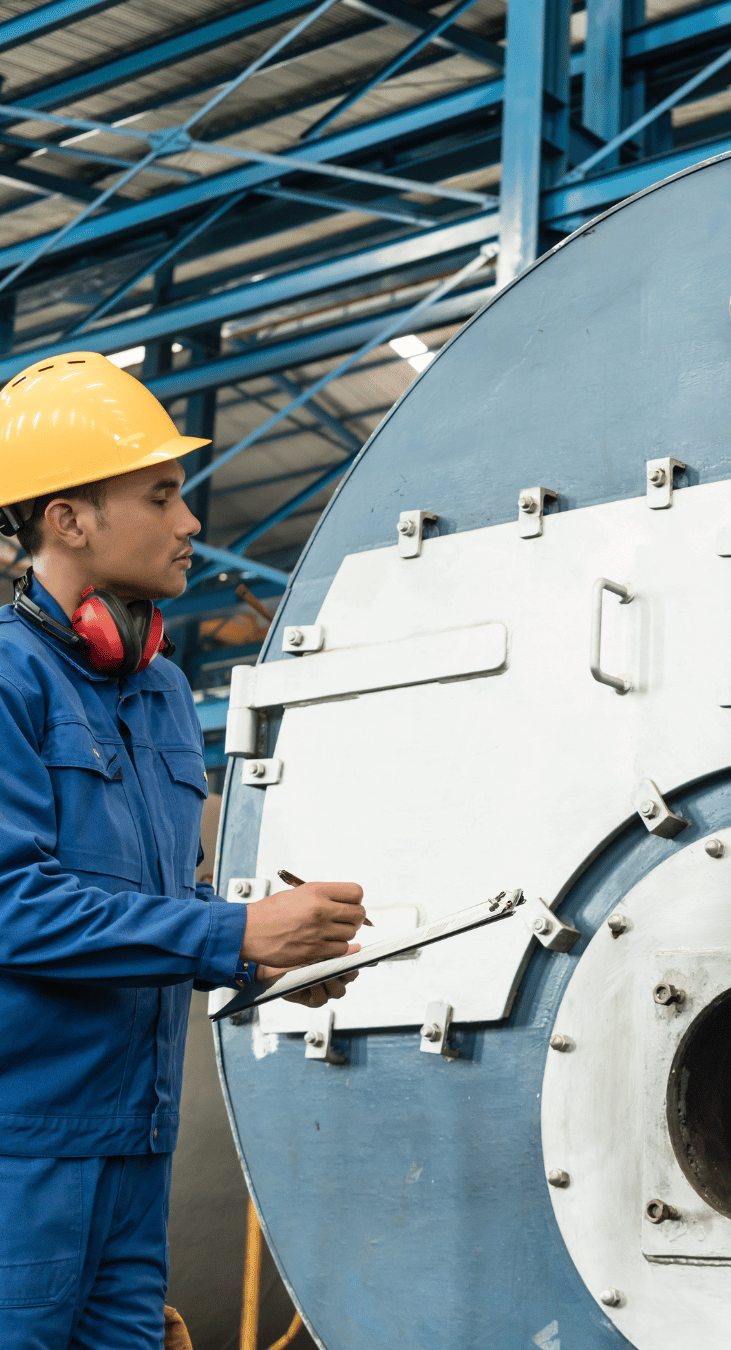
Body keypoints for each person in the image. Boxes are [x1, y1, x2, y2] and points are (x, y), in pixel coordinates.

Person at [0, 353, 366, 1350]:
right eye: (161, 496)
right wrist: (236, 934)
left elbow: (164, 901)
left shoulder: (159, 691)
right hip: (22, 1153)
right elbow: (14, 908)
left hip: (136, 1145)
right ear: (68, 519)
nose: (191, 522)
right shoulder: (9, 681)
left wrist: (265, 958)